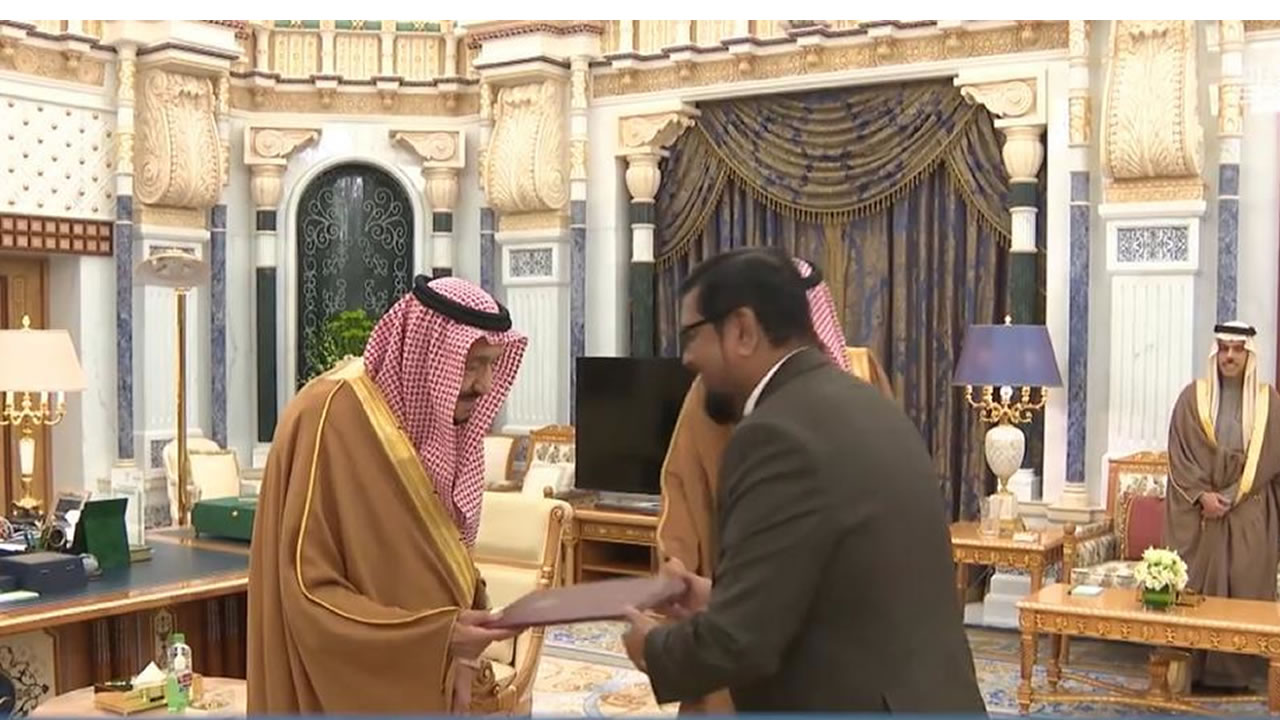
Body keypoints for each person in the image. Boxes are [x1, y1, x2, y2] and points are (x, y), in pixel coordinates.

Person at [621, 248, 984, 712]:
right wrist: (720, 598)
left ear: (743, 330)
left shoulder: (774, 433)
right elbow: (842, 585)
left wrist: (652, 649)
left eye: (693, 335)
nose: (687, 358)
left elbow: (740, 643)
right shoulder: (868, 403)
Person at [247, 275, 527, 713]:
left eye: (492, 364)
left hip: (433, 678)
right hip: (357, 685)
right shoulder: (329, 416)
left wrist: (463, 648)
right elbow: (307, 592)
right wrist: (437, 638)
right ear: (428, 356)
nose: (485, 384)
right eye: (472, 364)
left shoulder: (425, 429)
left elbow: (441, 559)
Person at [654, 254, 892, 715]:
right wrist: (678, 573)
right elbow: (683, 487)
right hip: (741, 616)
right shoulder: (715, 394)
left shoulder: (859, 377)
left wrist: (656, 650)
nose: (688, 358)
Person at [1166, 321, 1280, 692]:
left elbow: (1270, 459)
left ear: (1249, 355)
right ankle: (1189, 670)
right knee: (1194, 588)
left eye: (1238, 350)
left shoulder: (1268, 402)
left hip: (1249, 509)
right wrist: (1202, 496)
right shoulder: (1192, 398)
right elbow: (1180, 454)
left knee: (1243, 581)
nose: (1230, 356)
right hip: (1202, 511)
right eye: (1224, 349)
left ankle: (1233, 676)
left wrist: (1230, 497)